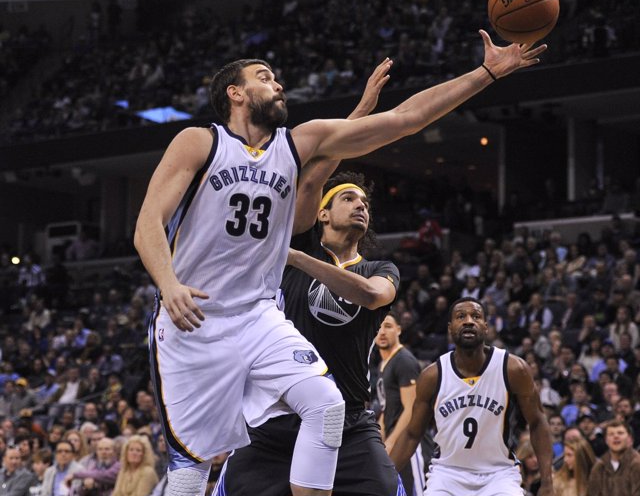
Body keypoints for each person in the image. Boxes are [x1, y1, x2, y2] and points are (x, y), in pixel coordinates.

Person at [134, 31, 546, 495]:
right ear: (235, 92)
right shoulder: (198, 142)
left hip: (257, 316)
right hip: (192, 319)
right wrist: (167, 282)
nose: (278, 85)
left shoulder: (298, 143)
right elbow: (149, 219)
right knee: (190, 470)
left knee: (327, 407)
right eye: (265, 77)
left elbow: (405, 119)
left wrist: (486, 72)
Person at [214, 171, 403, 495]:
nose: (361, 206)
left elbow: (372, 295)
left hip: (349, 422)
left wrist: (297, 258)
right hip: (278, 422)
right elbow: (315, 171)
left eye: (365, 203)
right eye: (348, 198)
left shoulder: (379, 269)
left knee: (387, 488)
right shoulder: (287, 260)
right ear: (322, 213)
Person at [390, 297, 555, 496]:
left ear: (486, 327)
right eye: (461, 316)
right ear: (450, 328)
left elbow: (537, 422)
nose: (469, 321)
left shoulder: (513, 369)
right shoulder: (433, 376)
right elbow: (411, 434)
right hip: (447, 474)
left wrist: (547, 481)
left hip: (499, 474)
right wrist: (386, 477)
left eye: (476, 316)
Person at [376, 311, 425, 495]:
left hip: (410, 442)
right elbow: (385, 407)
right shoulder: (383, 364)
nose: (382, 332)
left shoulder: (404, 360)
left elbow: (412, 408)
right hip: (395, 440)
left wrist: (391, 441)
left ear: (398, 330)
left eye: (388, 326)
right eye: (378, 327)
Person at [587, 419, 640, 495]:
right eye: (611, 434)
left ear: (629, 439)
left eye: (620, 433)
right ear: (606, 440)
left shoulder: (637, 464)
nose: (616, 436)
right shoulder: (599, 467)